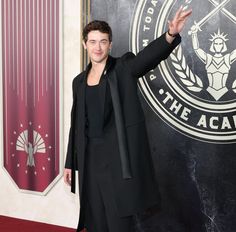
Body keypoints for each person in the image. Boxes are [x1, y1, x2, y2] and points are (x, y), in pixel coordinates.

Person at [64, 6, 192, 232]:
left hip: (117, 161)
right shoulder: (79, 81)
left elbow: (147, 58)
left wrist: (170, 35)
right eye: (92, 42)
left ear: (110, 44)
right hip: (89, 160)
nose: (98, 47)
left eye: (103, 41)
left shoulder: (122, 69)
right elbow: (76, 125)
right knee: (95, 220)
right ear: (85, 44)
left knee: (119, 223)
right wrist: (69, 163)